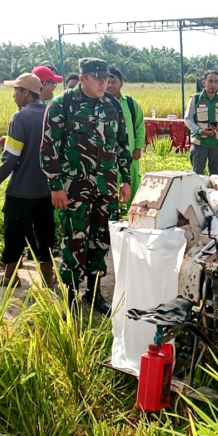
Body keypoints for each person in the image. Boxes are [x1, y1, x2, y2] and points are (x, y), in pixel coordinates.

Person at [41, 57, 132, 313]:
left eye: (106, 78)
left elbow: (122, 144)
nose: (104, 83)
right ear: (82, 79)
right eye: (98, 79)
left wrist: (125, 179)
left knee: (100, 241)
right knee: (74, 242)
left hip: (105, 187)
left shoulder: (111, 104)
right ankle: (69, 296)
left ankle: (93, 293)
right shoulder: (63, 104)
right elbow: (49, 148)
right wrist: (55, 185)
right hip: (73, 188)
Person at [0, 73, 56, 289]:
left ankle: (10, 277)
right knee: (44, 234)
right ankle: (48, 279)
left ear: (26, 92)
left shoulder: (21, 117)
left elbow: (11, 157)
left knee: (14, 233)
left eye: (16, 91)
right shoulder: (51, 113)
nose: (14, 96)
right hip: (47, 189)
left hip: (21, 190)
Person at [107, 66, 146, 204]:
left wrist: (138, 147)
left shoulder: (130, 103)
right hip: (108, 157)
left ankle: (133, 215)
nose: (110, 85)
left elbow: (140, 126)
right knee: (109, 189)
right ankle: (113, 218)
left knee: (133, 186)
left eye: (114, 82)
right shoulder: (99, 103)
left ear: (121, 83)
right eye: (108, 82)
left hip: (130, 155)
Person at [184, 70, 218, 176]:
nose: (213, 85)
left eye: (216, 81)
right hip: (200, 143)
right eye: (210, 81)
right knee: (196, 175)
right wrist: (200, 131)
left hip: (216, 144)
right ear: (204, 82)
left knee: (215, 177)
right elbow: (188, 119)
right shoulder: (196, 99)